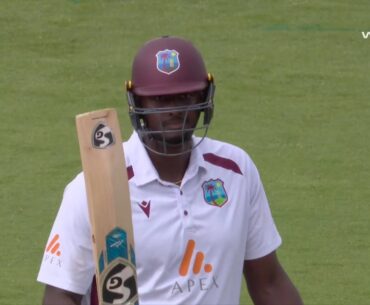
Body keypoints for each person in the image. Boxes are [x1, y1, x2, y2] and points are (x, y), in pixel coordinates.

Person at [37, 36, 303, 305]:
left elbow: (269, 283)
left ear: (203, 97)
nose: (174, 110)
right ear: (138, 103)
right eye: (160, 99)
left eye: (184, 96)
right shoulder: (96, 186)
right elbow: (61, 294)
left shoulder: (236, 171)